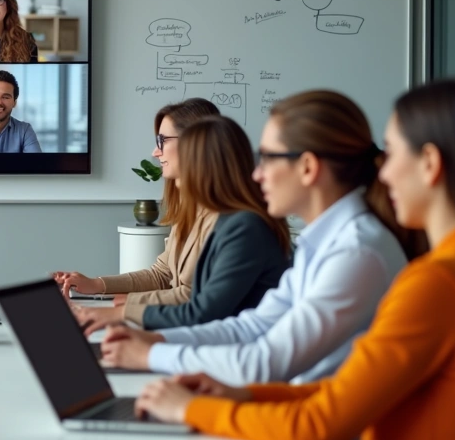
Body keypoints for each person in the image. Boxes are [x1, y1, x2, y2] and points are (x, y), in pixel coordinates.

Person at [134, 79, 455, 440]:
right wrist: (243, 397)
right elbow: (337, 393)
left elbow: (315, 426)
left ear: (430, 164)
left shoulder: (437, 283)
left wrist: (192, 409)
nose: (381, 171)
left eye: (393, 152)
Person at [99, 91, 414, 387]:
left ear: (307, 167)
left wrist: (150, 354)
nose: (257, 174)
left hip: (324, 437)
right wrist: (159, 341)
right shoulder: (319, 243)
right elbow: (253, 326)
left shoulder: (355, 253)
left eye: (268, 158)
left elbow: (265, 362)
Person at [73, 116, 291, 333]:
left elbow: (201, 309)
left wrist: (122, 312)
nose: (157, 154)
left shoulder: (243, 227)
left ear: (206, 165)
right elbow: (176, 285)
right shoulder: (225, 220)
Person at [54, 98, 220, 307]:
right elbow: (160, 275)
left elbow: (192, 295)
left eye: (163, 141)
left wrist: (122, 306)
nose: (155, 152)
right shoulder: (188, 210)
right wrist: (95, 284)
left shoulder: (224, 219)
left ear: (195, 142)